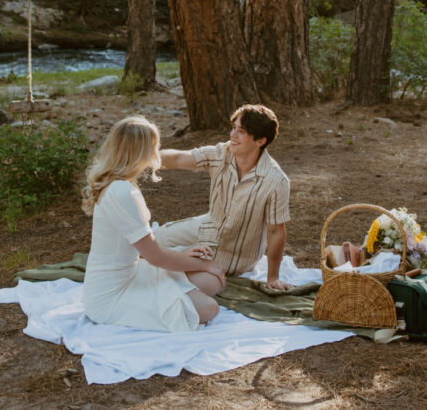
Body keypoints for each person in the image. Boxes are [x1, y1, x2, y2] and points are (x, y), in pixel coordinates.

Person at [81, 116, 225, 332]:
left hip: (132, 272)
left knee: (213, 281)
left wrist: (186, 256)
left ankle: (175, 292)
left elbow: (143, 249)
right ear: (142, 152)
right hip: (111, 294)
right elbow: (155, 257)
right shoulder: (121, 192)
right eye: (155, 146)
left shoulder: (121, 183)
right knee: (209, 309)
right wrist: (204, 264)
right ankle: (169, 298)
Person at [157, 104, 293, 291]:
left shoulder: (276, 181)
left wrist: (273, 278)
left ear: (260, 140)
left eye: (241, 131)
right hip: (207, 225)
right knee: (151, 241)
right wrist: (138, 159)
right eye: (234, 128)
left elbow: (276, 231)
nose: (233, 135)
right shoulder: (222, 152)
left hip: (234, 253)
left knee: (163, 262)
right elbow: (179, 158)